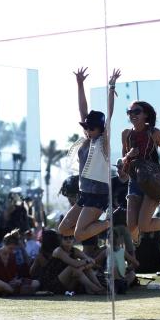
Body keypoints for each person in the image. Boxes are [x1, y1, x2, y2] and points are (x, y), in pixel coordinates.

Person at [58, 67, 119, 242]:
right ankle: (103, 224)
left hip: (98, 195)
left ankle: (111, 221)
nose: (87, 130)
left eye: (91, 128)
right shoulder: (87, 141)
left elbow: (109, 116)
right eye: (86, 127)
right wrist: (80, 84)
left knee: (78, 234)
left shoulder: (103, 143)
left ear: (100, 130)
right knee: (63, 230)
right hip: (84, 194)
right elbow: (82, 111)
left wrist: (112, 87)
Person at [117, 100, 160, 243]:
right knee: (131, 226)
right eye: (130, 112)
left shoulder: (155, 132)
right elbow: (124, 161)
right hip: (134, 181)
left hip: (152, 182)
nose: (132, 115)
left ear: (146, 115)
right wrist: (128, 155)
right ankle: (136, 241)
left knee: (144, 225)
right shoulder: (126, 134)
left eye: (137, 111)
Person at [0, 230, 40, 297]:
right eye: (10, 248)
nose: (12, 251)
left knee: (36, 283)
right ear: (4, 244)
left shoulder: (12, 256)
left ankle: (11, 291)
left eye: (14, 249)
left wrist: (16, 281)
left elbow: (14, 275)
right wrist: (6, 283)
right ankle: (17, 292)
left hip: (10, 284)